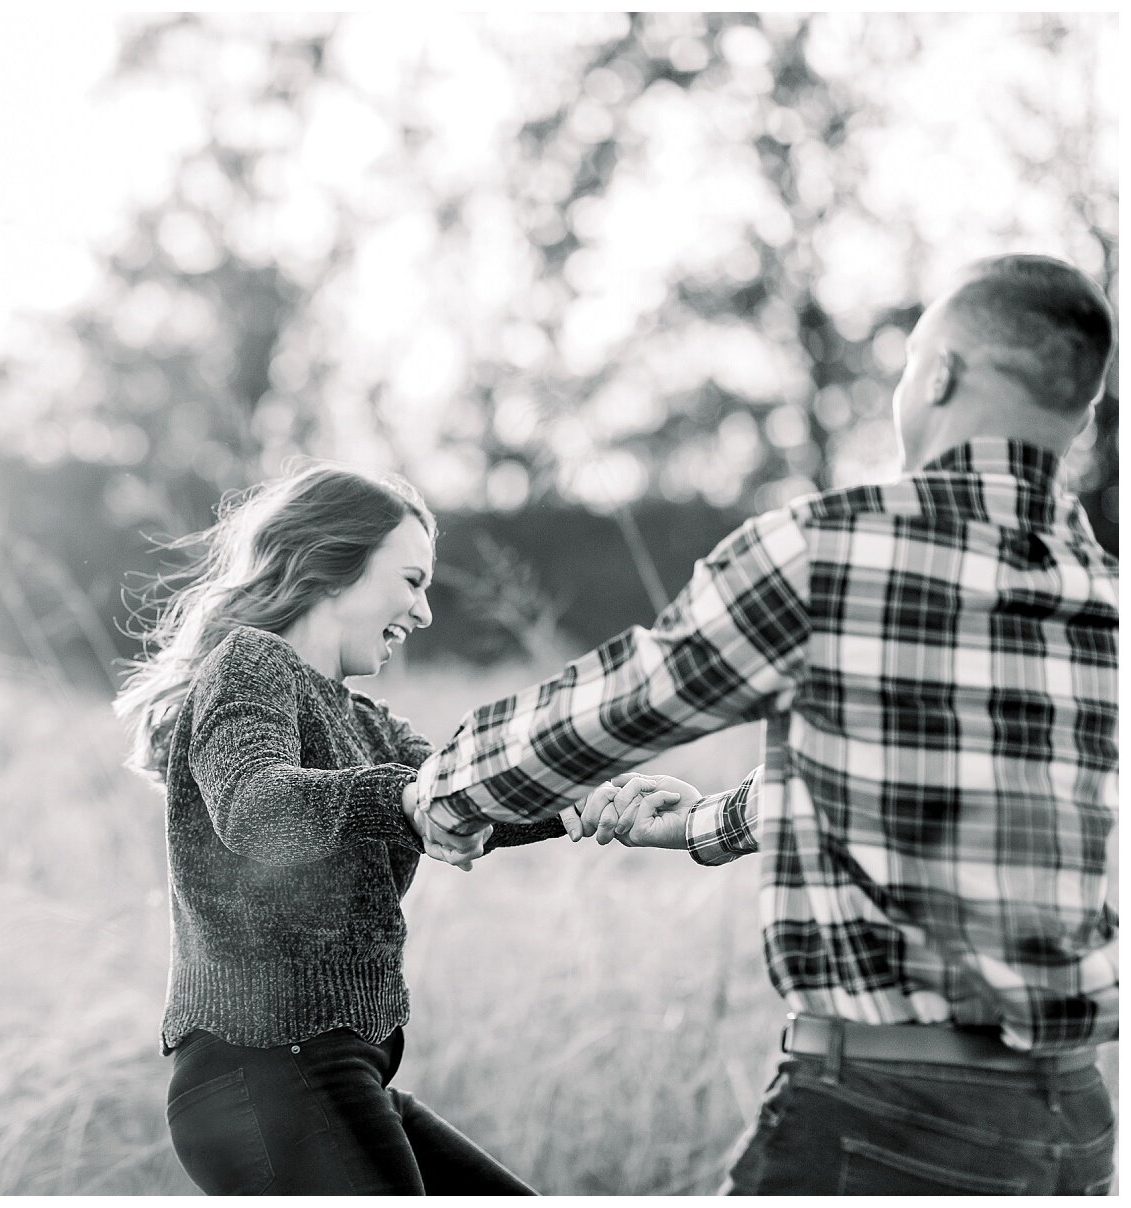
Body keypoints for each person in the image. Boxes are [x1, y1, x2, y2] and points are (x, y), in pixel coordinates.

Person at [406, 254, 1118, 1195]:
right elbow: (956, 791)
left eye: (909, 365)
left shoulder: (828, 550)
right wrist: (704, 823)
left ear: (940, 373)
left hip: (884, 1117)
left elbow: (625, 703)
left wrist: (448, 788)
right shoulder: (1101, 592)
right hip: (1071, 1125)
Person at [115, 463, 559, 1194]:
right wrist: (408, 800)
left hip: (336, 1074)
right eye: (411, 581)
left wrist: (601, 804)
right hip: (264, 1070)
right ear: (332, 567)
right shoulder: (252, 663)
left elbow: (466, 789)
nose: (423, 614)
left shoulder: (366, 723)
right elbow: (257, 808)